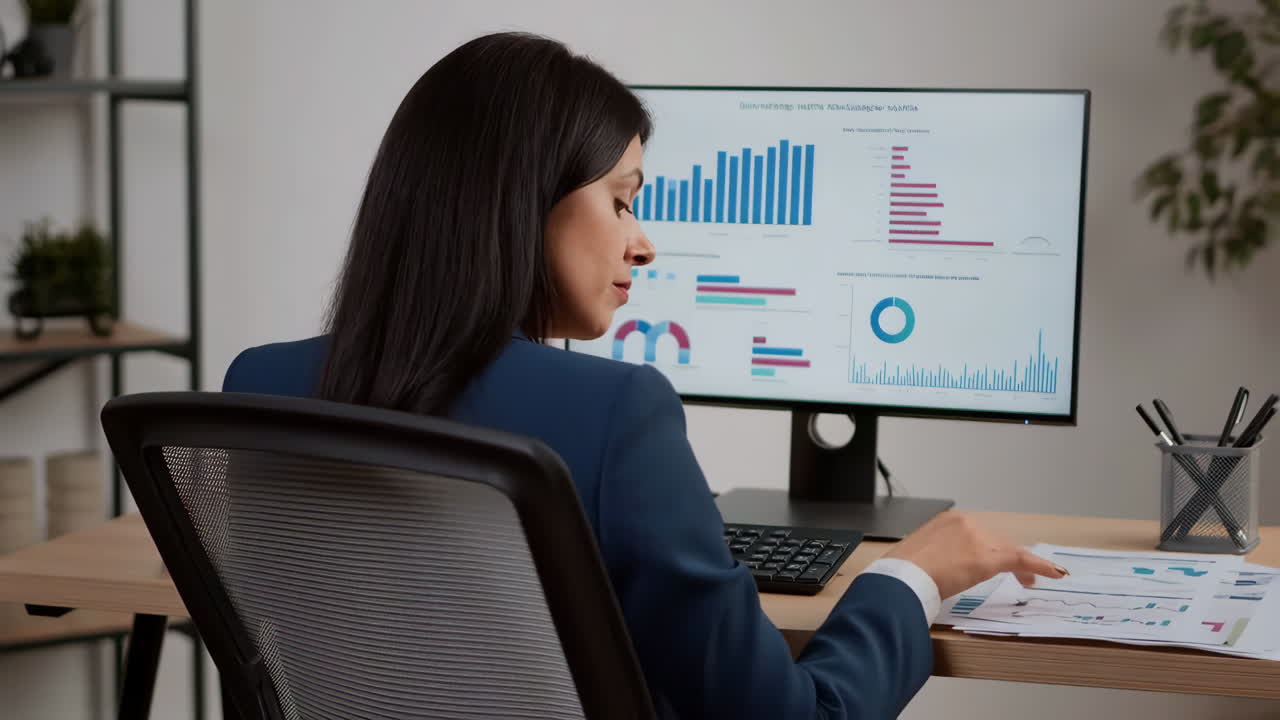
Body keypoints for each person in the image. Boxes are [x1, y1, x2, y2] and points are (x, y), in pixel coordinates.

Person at [222, 31, 1066, 719]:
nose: (644, 240)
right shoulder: (615, 415)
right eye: (623, 200)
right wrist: (906, 578)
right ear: (524, 202)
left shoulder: (258, 392)